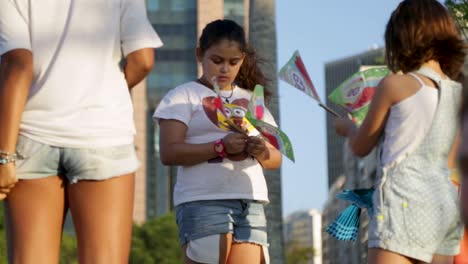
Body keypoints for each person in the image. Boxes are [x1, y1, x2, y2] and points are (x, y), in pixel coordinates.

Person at [0, 0, 162, 263]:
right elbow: (142, 59)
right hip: (102, 134)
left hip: (32, 135)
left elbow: (17, 66)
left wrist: (4, 156)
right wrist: (108, 94)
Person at [333, 0, 466, 263]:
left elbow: (361, 146)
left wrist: (348, 128)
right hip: (444, 208)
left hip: (402, 207)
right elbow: (451, 160)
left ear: (401, 38)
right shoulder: (460, 93)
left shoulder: (395, 84)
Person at [153, 19, 281, 264]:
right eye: (217, 60)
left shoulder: (253, 100)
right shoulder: (183, 95)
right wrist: (219, 147)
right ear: (200, 55)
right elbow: (169, 152)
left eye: (233, 62)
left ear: (242, 59)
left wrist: (260, 149)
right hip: (202, 199)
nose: (224, 69)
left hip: (250, 202)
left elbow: (276, 157)